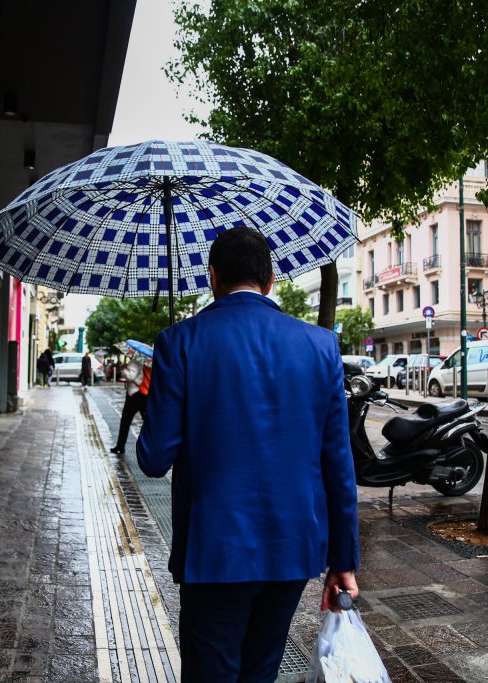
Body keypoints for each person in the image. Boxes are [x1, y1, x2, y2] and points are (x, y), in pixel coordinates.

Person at [137, 227, 359, 682]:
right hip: (291, 549)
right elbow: (338, 464)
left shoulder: (180, 341)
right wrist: (343, 561)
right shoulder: (320, 345)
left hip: (213, 551)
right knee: (262, 670)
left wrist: (158, 399)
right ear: (270, 280)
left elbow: (154, 458)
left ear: (213, 276)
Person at [109, 358, 151, 455]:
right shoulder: (142, 362)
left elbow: (130, 376)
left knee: (125, 421)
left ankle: (120, 446)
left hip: (134, 395)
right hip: (142, 395)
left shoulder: (134, 362)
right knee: (147, 423)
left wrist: (124, 369)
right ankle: (153, 447)